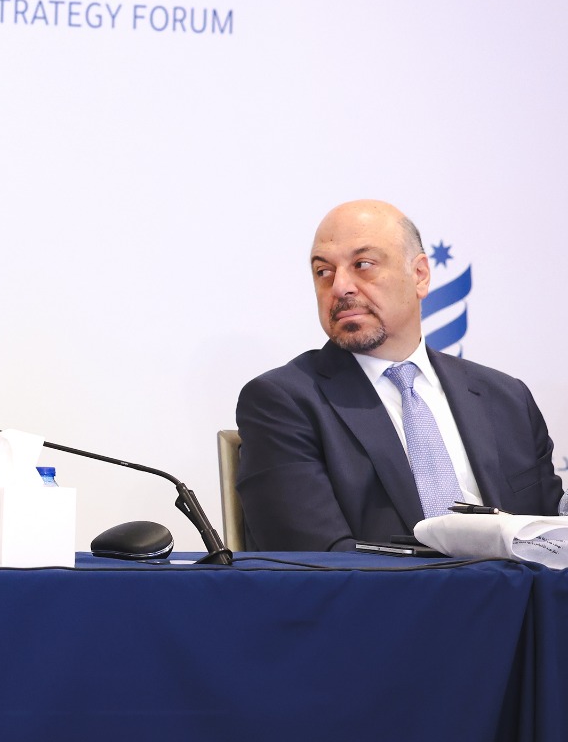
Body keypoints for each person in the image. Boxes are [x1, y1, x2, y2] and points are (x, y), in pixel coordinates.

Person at [236, 199, 564, 551]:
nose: (340, 286)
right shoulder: (283, 402)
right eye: (323, 271)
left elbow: (552, 538)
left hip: (518, 587)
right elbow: (319, 561)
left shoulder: (507, 399)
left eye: (363, 265)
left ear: (419, 275)